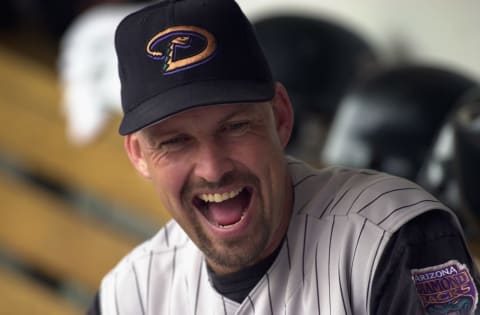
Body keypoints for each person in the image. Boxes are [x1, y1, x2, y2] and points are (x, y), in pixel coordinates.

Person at [87, 0, 480, 314]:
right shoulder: (131, 293)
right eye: (174, 142)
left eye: (235, 127)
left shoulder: (390, 241)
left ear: (280, 117)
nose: (213, 168)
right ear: (139, 155)